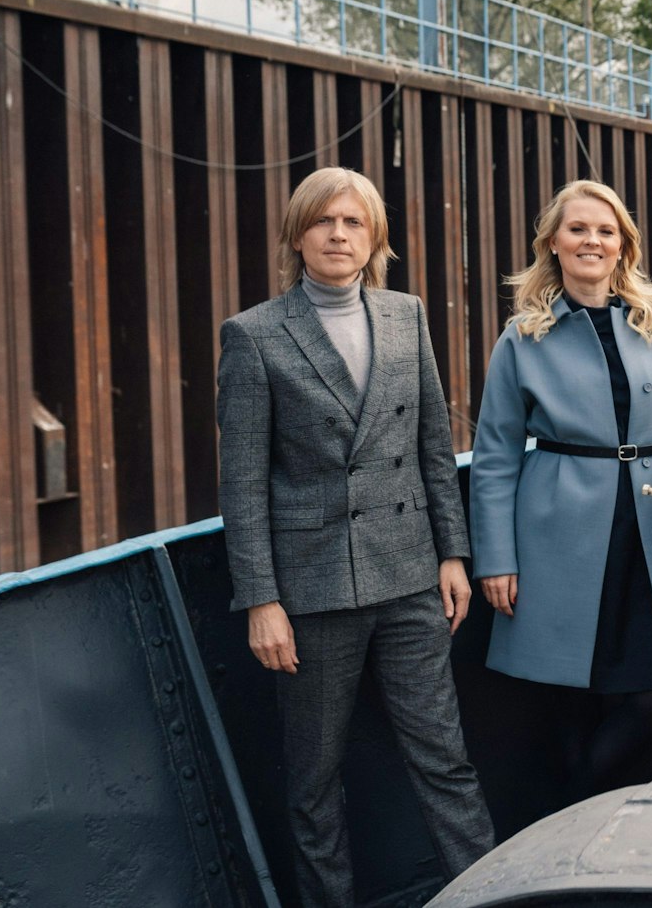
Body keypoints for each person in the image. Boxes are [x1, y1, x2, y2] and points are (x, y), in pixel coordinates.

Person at [217, 167, 494, 908]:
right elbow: (242, 484)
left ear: (374, 238)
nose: (338, 234)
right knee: (314, 781)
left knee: (446, 759)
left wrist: (452, 554)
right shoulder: (252, 336)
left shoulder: (406, 315)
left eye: (354, 223)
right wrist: (261, 600)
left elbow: (434, 444)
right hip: (311, 592)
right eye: (323, 222)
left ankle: (491, 895)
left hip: (409, 577)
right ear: (297, 235)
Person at [469, 180, 652, 798]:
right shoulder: (522, 336)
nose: (592, 240)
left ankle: (578, 799)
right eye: (578, 229)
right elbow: (496, 455)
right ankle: (583, 823)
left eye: (605, 231)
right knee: (568, 694)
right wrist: (496, 558)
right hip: (557, 528)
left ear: (623, 247)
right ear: (553, 244)